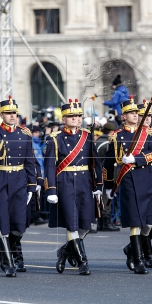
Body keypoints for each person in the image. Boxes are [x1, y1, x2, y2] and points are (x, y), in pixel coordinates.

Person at [104, 97, 152, 274]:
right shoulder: (117, 136)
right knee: (136, 223)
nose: (135, 116)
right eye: (131, 113)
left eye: (136, 113)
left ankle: (131, 249)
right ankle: (138, 260)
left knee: (148, 224)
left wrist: (136, 159)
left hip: (147, 177)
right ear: (124, 116)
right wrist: (109, 186)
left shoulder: (148, 134)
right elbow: (108, 162)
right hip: (130, 180)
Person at [0, 97, 37, 277]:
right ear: (1, 114)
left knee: (19, 225)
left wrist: (31, 185)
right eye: (9, 113)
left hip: (19, 180)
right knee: (2, 221)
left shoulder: (25, 134)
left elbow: (30, 162)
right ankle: (8, 262)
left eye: (15, 113)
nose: (13, 116)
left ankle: (4, 252)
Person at [45, 99, 102, 275]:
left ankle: (64, 252)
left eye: (78, 116)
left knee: (86, 224)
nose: (76, 119)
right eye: (72, 116)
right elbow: (49, 166)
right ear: (63, 119)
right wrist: (51, 189)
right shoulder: (55, 139)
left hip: (84, 181)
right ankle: (82, 262)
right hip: (65, 181)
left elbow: (95, 162)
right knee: (72, 224)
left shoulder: (86, 136)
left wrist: (98, 184)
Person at [94, 121, 119, 232]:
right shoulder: (107, 144)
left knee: (100, 199)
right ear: (112, 132)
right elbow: (107, 162)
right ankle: (106, 222)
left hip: (96, 175)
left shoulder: (98, 141)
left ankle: (100, 222)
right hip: (105, 174)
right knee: (106, 199)